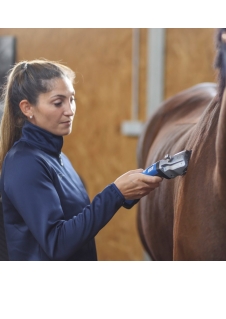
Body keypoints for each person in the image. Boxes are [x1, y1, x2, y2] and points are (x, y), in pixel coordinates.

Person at [0, 59, 163, 261]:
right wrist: (115, 193)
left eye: (72, 99)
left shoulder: (57, 157)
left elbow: (77, 222)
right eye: (58, 102)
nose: (70, 110)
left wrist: (127, 192)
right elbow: (57, 243)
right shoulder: (24, 164)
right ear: (27, 108)